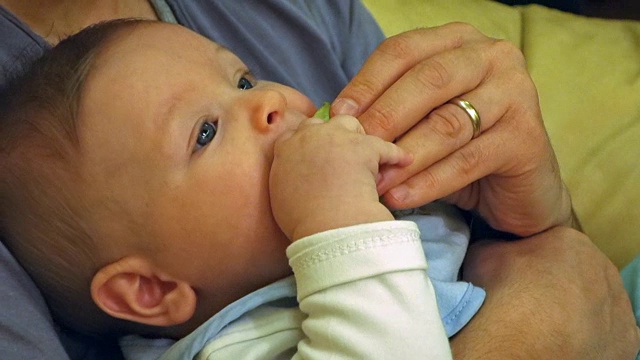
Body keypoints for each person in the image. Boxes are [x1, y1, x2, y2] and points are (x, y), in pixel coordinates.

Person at [0, 1, 637, 359]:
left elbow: (565, 264)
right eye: (204, 133)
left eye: (243, 79)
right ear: (150, 290)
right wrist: (336, 217)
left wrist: (520, 207)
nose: (267, 101)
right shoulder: (242, 345)